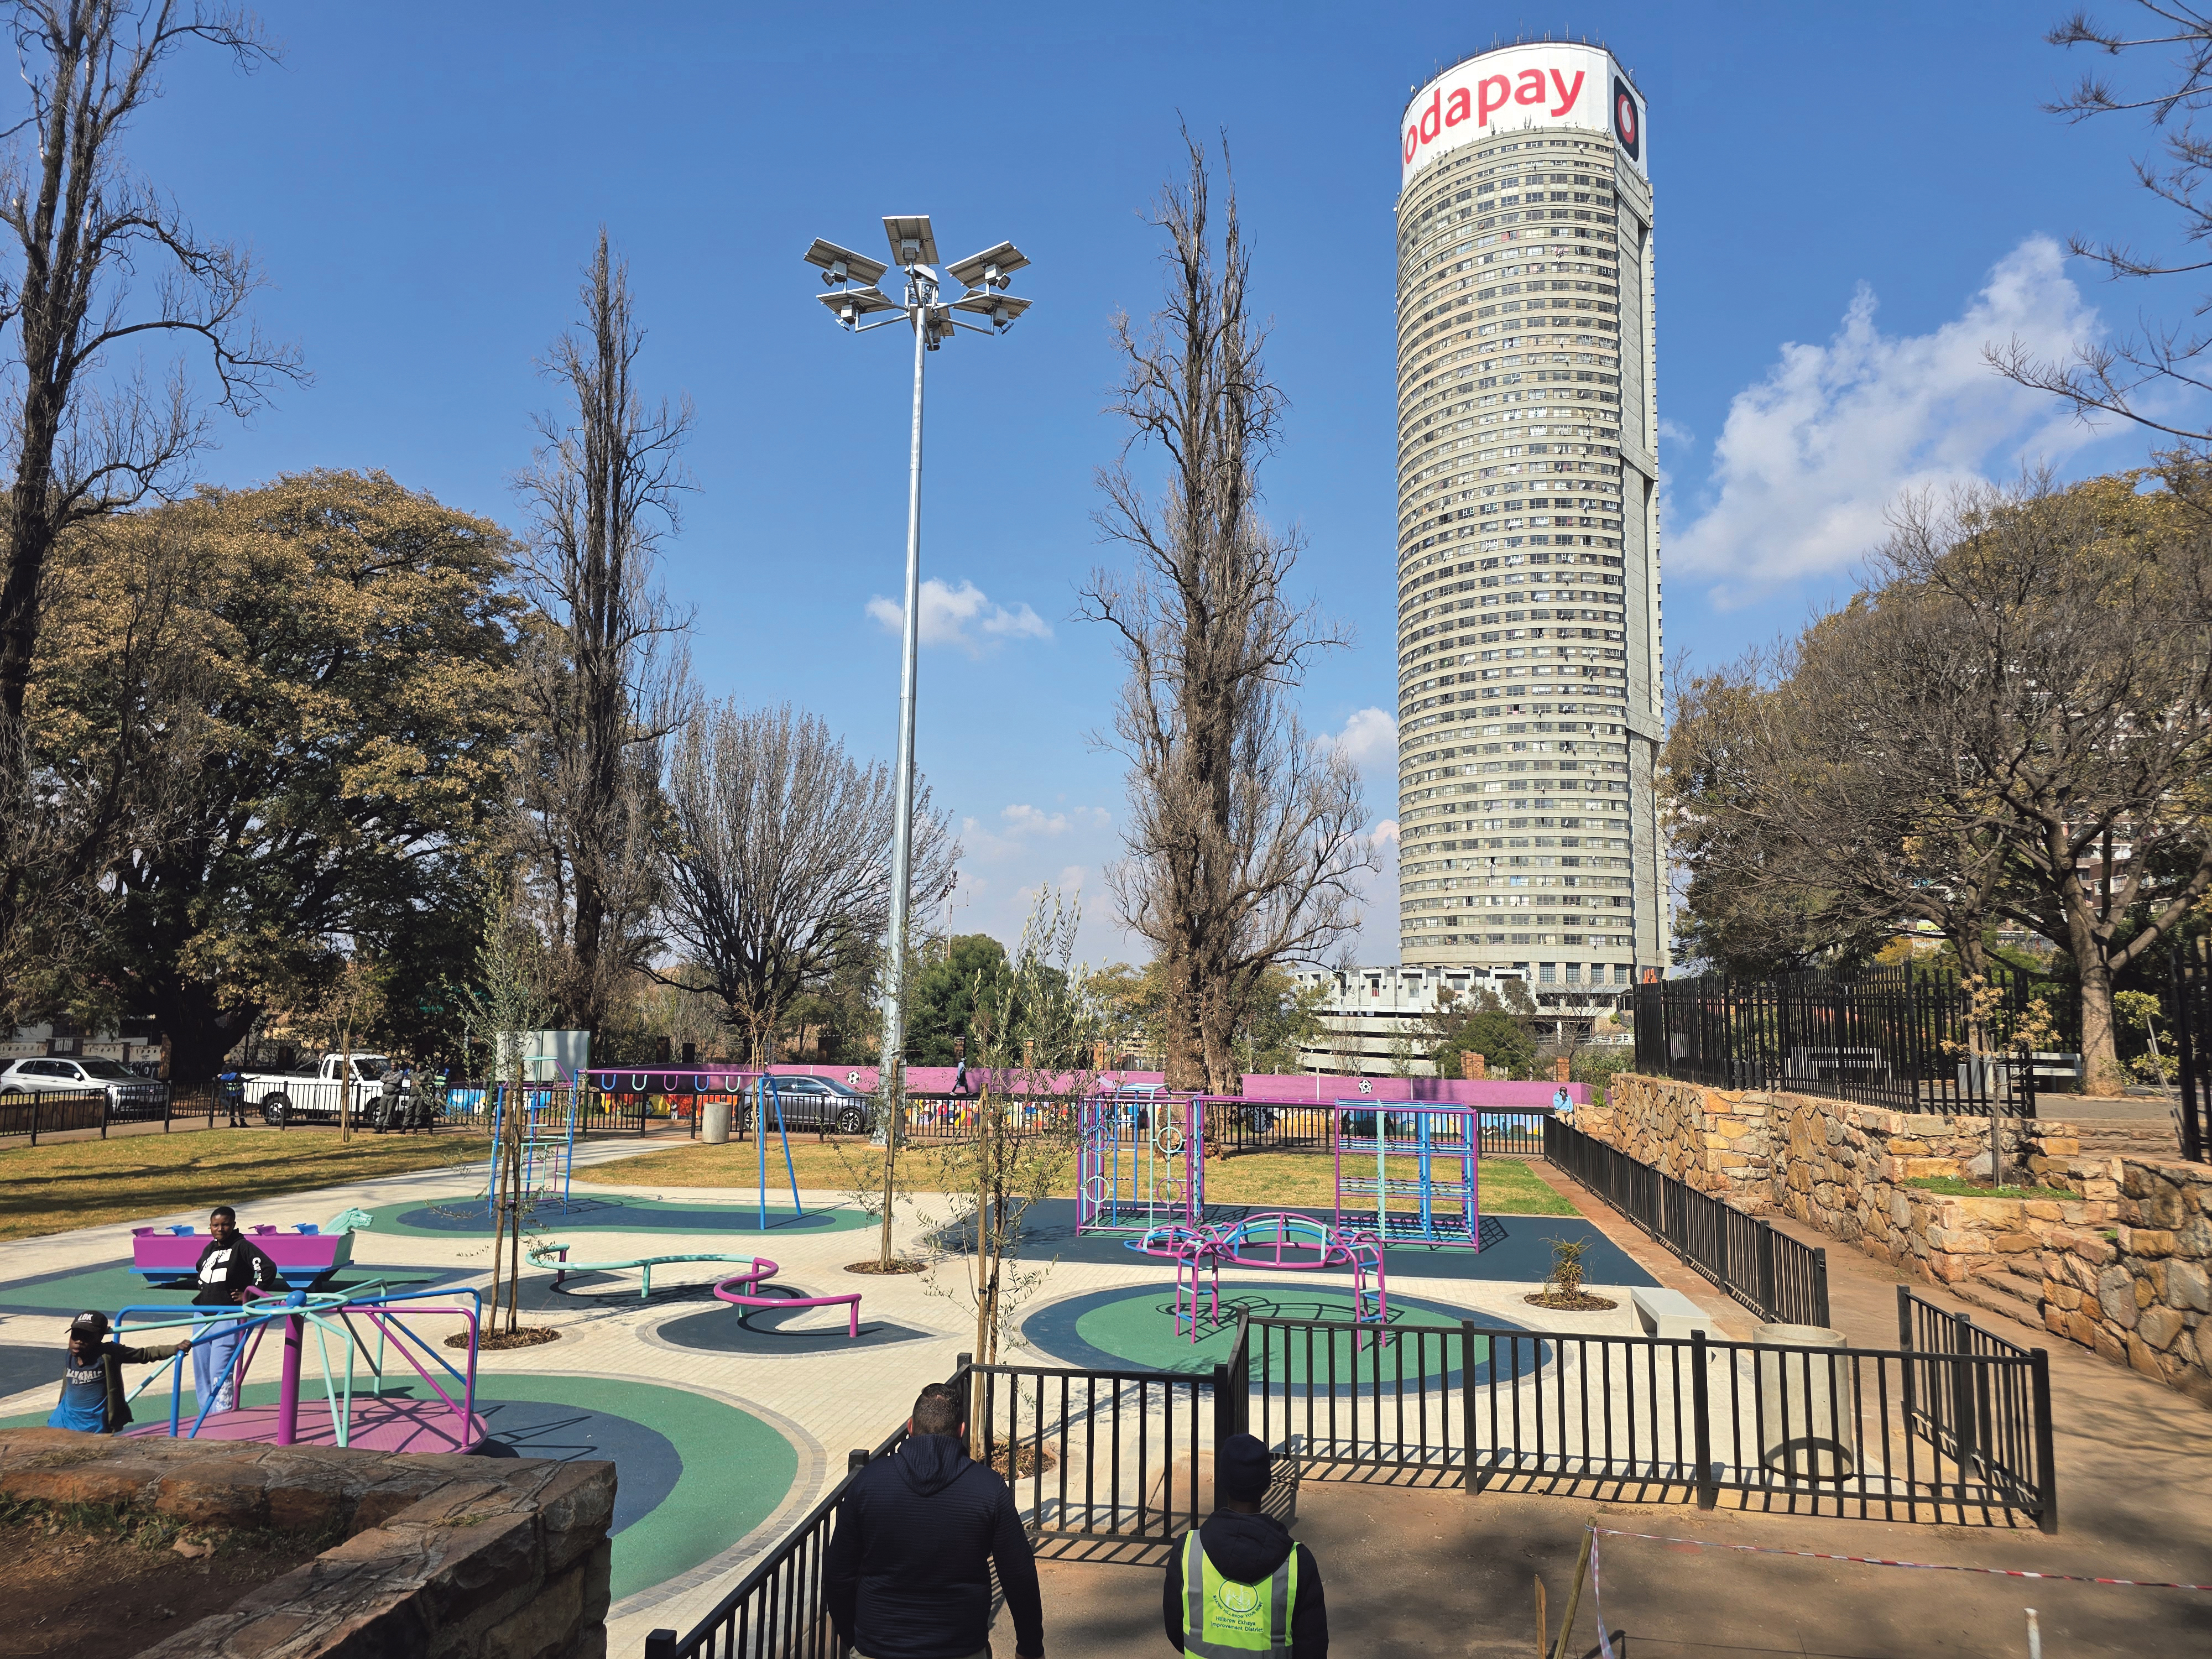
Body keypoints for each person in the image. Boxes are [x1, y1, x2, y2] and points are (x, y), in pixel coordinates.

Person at [825, 1381, 1044, 1659]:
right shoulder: (988, 1489)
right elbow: (1019, 1575)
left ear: (910, 1427)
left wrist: (855, 1638)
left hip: (877, 1644)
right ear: (961, 1432)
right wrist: (1030, 1648)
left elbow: (838, 1575)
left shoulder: (868, 1483)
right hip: (961, 1646)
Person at [1164, 1433, 1327, 1658]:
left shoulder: (1188, 1550)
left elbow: (1176, 1630)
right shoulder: (1298, 1562)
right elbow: (1312, 1648)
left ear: (1222, 1481)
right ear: (1267, 1483)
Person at [190, 1206, 279, 1414]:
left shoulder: (243, 1247)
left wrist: (250, 1294)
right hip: (202, 1315)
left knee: (219, 1371)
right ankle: (205, 1415)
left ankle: (222, 1415)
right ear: (210, 1227)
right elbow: (200, 1268)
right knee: (201, 1370)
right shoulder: (210, 1248)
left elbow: (267, 1269)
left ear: (234, 1225)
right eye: (215, 1225)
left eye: (225, 1224)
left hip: (228, 1315)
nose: (220, 1229)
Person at [46, 1310, 191, 1434]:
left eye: (87, 1337)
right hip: (62, 1420)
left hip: (93, 1426)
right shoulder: (70, 1354)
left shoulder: (109, 1354)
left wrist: (175, 1349)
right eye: (75, 1335)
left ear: (101, 1337)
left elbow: (145, 1354)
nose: (78, 1342)